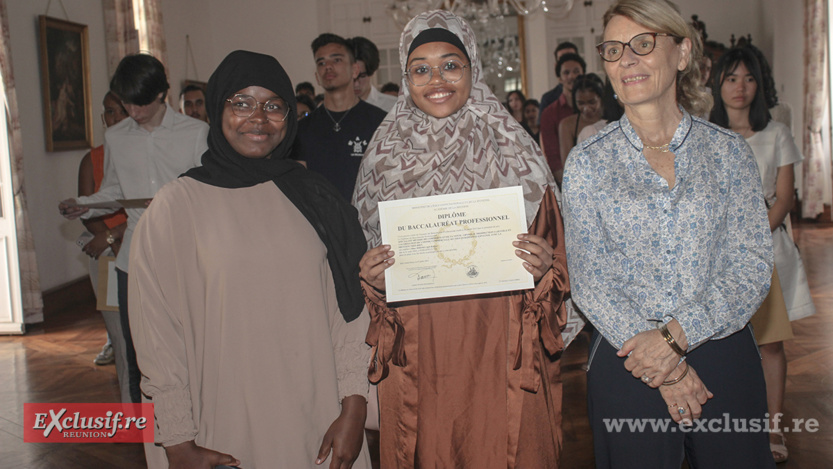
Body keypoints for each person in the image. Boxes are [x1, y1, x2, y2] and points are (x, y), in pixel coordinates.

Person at [354, 10, 580, 468]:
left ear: (472, 69)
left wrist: (544, 268)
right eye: (421, 69)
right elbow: (364, 267)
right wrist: (372, 280)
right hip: (419, 354)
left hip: (502, 348)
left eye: (450, 65)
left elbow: (558, 261)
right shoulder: (382, 159)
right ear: (406, 79)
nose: (436, 80)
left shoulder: (514, 149)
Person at [128, 50, 372, 469]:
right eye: (241, 102)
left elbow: (349, 312)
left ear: (289, 116)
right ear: (218, 108)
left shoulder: (316, 198)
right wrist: (177, 440)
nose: (258, 118)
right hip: (221, 422)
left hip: (317, 418)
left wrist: (354, 407)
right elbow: (156, 335)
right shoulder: (176, 207)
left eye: (273, 106)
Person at [562, 0, 776, 467]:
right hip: (627, 355)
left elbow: (752, 264)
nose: (627, 59)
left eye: (643, 44)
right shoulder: (587, 163)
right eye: (614, 49)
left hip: (721, 347)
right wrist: (669, 366)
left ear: (682, 53)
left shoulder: (728, 153)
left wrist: (677, 337)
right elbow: (590, 280)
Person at [59, 54, 209, 404]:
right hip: (134, 260)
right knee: (136, 348)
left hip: (184, 257)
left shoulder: (195, 133)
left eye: (140, 103)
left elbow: (209, 191)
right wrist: (86, 204)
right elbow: (115, 191)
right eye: (126, 103)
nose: (133, 111)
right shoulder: (116, 137)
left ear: (161, 94)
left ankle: (196, 421)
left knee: (192, 348)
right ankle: (144, 428)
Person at [710, 44, 816, 464]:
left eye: (749, 78)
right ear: (718, 84)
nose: (740, 87)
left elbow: (784, 199)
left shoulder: (776, 134)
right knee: (722, 346)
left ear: (760, 84)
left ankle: (773, 427)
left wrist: (750, 238)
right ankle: (727, 426)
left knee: (770, 344)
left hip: (766, 250)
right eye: (732, 78)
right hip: (717, 255)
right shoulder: (706, 135)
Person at [294, 33, 387, 200]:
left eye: (336, 60)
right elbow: (299, 187)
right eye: (321, 63)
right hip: (320, 214)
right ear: (316, 77)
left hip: (368, 213)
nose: (328, 67)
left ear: (355, 70)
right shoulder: (303, 129)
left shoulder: (380, 122)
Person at [79, 92, 128, 385]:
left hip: (139, 245)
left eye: (122, 111)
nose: (116, 118)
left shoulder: (146, 157)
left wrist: (119, 235)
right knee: (119, 333)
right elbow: (87, 211)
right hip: (105, 251)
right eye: (110, 112)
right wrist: (110, 239)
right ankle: (129, 406)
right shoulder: (92, 159)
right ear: (103, 118)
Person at [539, 53, 586, 184]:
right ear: (559, 78)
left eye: (576, 71)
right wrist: (569, 184)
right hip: (567, 181)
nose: (572, 76)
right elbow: (553, 158)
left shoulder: (595, 108)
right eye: (566, 73)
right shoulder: (549, 113)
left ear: (583, 73)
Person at [557, 73, 604, 161]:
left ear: (601, 98)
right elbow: (568, 162)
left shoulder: (610, 120)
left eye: (592, 102)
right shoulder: (567, 125)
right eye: (581, 103)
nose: (586, 108)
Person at [351, 36, 398, 112]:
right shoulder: (335, 109)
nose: (356, 84)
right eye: (352, 77)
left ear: (371, 73)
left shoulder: (394, 106)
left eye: (362, 76)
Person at [539, 41, 580, 112]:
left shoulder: (593, 93)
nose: (568, 63)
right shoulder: (548, 99)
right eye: (562, 59)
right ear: (556, 66)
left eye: (571, 58)